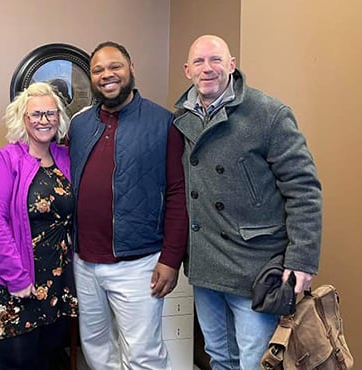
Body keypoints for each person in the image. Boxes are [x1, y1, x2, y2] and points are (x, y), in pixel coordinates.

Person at [173, 34, 322, 369]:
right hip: (206, 265)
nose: (207, 68)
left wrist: (303, 259)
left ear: (232, 64)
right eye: (199, 62)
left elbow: (304, 188)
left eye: (215, 60)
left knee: (256, 361)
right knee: (220, 357)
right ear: (187, 70)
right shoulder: (182, 118)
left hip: (255, 268)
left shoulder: (268, 113)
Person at [69, 41, 189, 370]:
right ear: (91, 78)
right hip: (85, 261)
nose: (107, 75)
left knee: (143, 354)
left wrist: (171, 258)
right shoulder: (80, 125)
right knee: (95, 349)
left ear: (131, 69)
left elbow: (179, 193)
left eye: (115, 67)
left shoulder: (164, 122)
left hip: (138, 263)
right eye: (98, 70)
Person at [0, 82, 78, 370]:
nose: (43, 120)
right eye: (35, 114)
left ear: (59, 118)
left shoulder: (66, 158)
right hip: (10, 282)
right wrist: (17, 278)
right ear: (23, 119)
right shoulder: (6, 160)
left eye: (50, 113)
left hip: (55, 280)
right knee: (18, 362)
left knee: (48, 358)